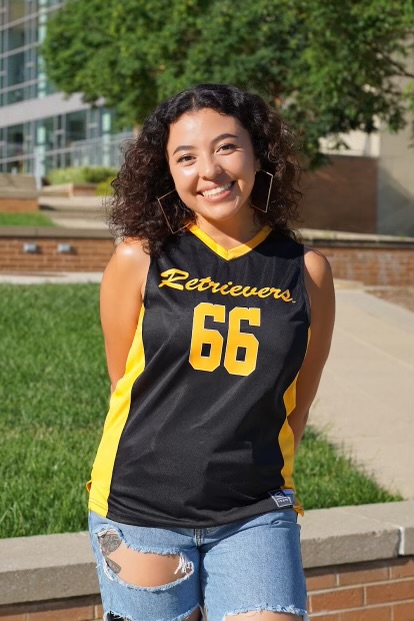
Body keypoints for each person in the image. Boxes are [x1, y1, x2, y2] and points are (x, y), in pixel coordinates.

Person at [88, 83, 335, 621]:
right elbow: (128, 389)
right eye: (186, 156)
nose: (210, 170)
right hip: (140, 507)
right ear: (167, 171)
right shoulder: (139, 257)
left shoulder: (306, 270)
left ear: (257, 152)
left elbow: (297, 404)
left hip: (253, 509)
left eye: (226, 147)